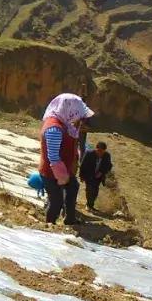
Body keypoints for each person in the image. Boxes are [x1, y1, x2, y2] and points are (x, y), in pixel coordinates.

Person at [39, 93, 94, 226]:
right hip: (53, 173)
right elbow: (53, 157)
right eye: (77, 113)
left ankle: (70, 219)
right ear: (69, 110)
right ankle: (49, 225)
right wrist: (62, 177)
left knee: (73, 187)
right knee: (56, 201)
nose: (79, 118)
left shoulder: (63, 123)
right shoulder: (54, 128)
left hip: (62, 171)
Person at [79, 141, 113, 212]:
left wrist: (101, 172)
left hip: (98, 177)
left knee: (95, 191)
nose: (100, 153)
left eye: (102, 151)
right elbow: (83, 165)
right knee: (89, 189)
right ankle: (88, 205)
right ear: (96, 149)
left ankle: (91, 205)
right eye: (99, 151)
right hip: (89, 175)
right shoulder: (89, 154)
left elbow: (108, 166)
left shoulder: (107, 155)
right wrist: (81, 176)